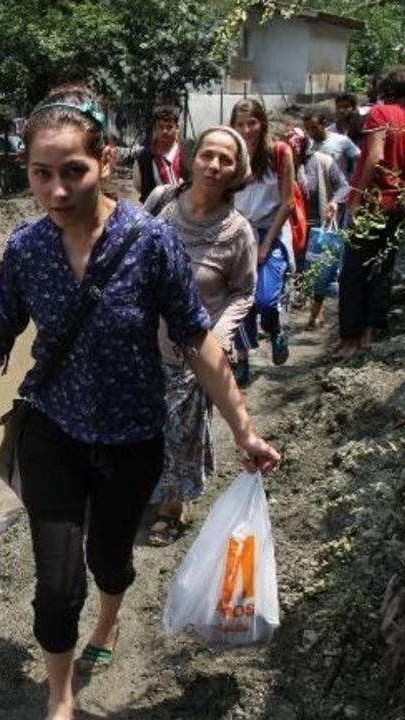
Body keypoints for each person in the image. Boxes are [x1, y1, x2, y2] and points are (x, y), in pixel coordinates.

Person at [0, 84, 280, 720]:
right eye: (41, 174)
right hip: (53, 433)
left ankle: (110, 618)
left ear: (106, 162)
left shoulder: (152, 242)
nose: (57, 190)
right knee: (57, 586)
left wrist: (244, 430)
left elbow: (199, 341)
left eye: (73, 172)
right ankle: (60, 697)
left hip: (132, 437)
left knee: (108, 560)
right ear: (27, 172)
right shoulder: (25, 250)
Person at [142, 126, 257, 546]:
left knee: (182, 431)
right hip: (140, 342)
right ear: (193, 158)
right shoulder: (161, 201)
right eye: (208, 155)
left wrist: (219, 336)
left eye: (226, 160)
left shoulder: (237, 231)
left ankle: (171, 507)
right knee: (144, 424)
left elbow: (244, 291)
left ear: (237, 171)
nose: (214, 165)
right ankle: (141, 488)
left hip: (193, 348)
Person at [339, 66, 405, 359]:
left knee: (353, 272)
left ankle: (349, 341)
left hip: (372, 203)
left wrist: (357, 197)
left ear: (385, 88)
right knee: (381, 269)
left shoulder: (380, 115)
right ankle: (368, 335)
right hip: (397, 205)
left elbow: (375, 156)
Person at [230, 99, 296, 386]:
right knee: (239, 300)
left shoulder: (279, 153)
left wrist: (267, 244)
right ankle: (242, 360)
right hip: (237, 233)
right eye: (240, 124)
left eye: (252, 123)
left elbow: (288, 202)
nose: (246, 130)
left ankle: (274, 329)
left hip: (271, 230)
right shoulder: (230, 155)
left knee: (266, 300)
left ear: (262, 123)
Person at [297, 134, 351, 330]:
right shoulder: (284, 165)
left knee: (320, 268)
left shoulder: (323, 162)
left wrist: (334, 201)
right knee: (297, 268)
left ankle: (316, 311)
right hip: (294, 227)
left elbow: (344, 186)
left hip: (318, 224)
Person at [133, 104, 188, 203]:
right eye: (161, 127)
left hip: (187, 210)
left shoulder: (188, 151)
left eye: (169, 127)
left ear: (177, 128)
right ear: (155, 128)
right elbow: (139, 186)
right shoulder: (144, 157)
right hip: (156, 213)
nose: (165, 131)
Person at [302, 107, 360, 179]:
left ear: (323, 124)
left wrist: (354, 180)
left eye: (314, 127)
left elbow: (359, 159)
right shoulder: (308, 145)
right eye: (307, 128)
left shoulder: (341, 141)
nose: (311, 132)